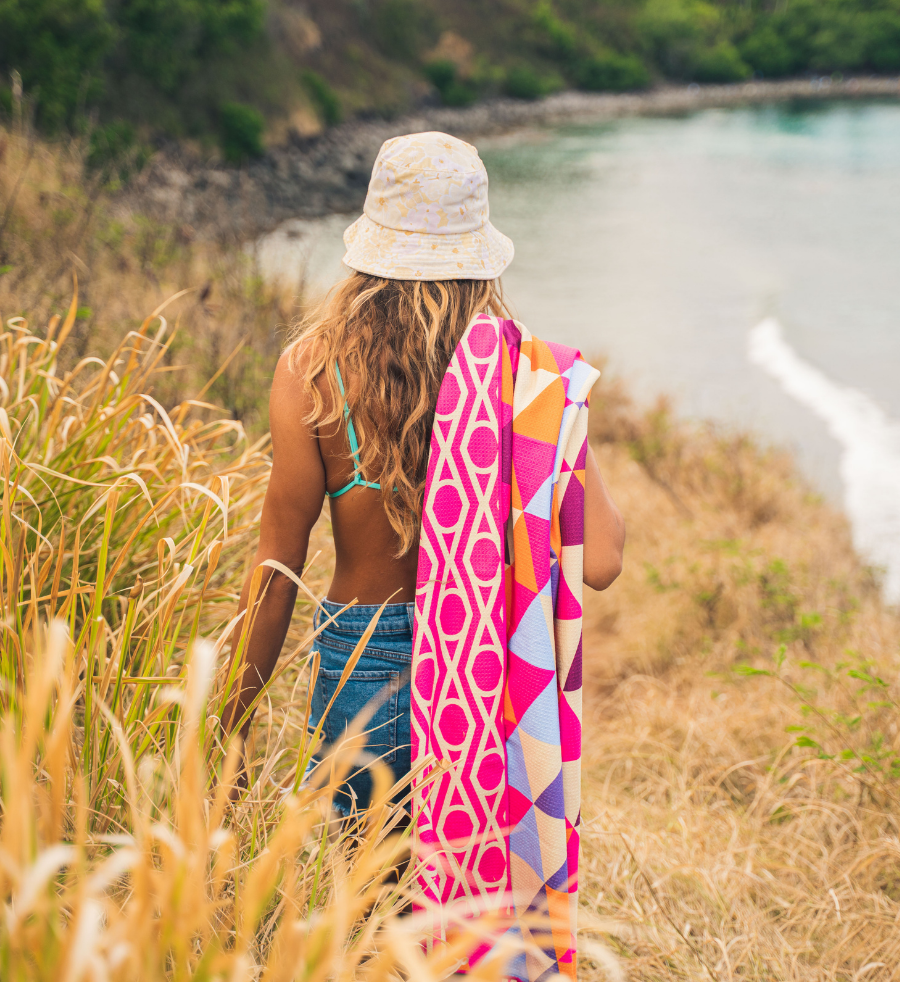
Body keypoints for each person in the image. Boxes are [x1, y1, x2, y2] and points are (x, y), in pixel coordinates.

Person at [224, 133, 624, 971]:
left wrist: (232, 718)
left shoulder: (310, 369)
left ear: (371, 244)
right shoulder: (528, 378)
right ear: (479, 255)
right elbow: (603, 560)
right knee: (473, 926)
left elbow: (276, 572)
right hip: (486, 679)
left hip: (359, 666)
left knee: (369, 919)